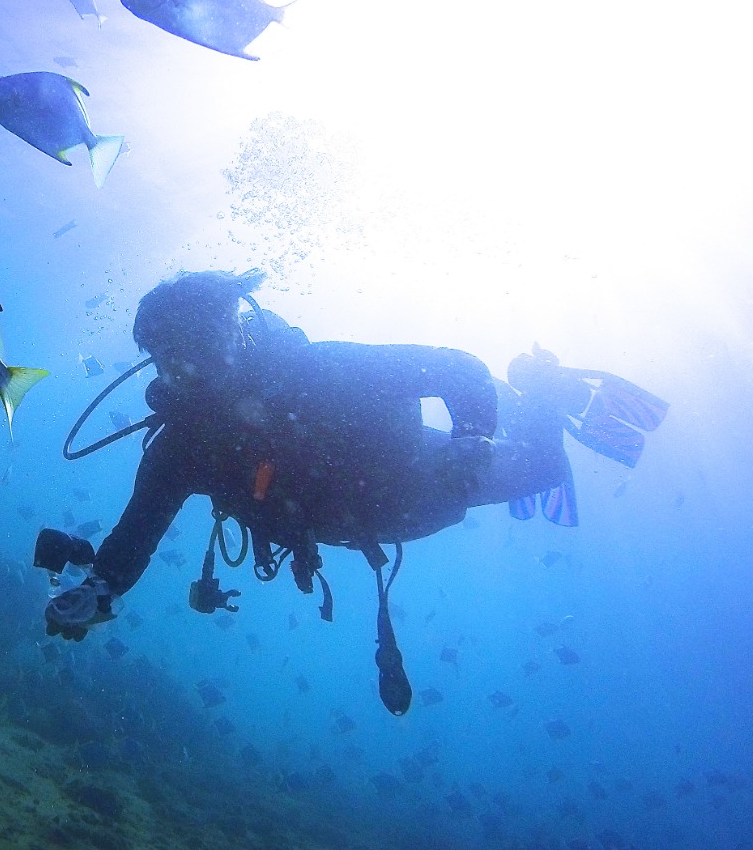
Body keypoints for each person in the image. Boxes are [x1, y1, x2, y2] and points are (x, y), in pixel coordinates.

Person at [39, 269, 668, 714]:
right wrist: (97, 591)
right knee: (527, 473)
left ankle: (543, 393)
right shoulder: (186, 443)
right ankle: (528, 412)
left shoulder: (321, 370)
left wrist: (470, 442)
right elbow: (136, 532)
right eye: (171, 359)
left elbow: (459, 369)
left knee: (543, 471)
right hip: (368, 519)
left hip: (426, 475)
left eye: (200, 347)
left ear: (232, 333)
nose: (190, 370)